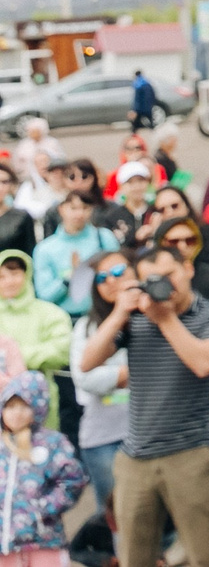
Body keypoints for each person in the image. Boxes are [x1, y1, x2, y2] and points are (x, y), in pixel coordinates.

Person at [79, 243, 209, 567]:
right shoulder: (135, 318)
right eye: (152, 279)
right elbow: (87, 361)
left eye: (169, 275)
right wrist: (121, 310)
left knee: (206, 557)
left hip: (192, 455)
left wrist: (164, 319)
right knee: (134, 558)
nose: (164, 285)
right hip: (135, 460)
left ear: (188, 269)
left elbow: (204, 364)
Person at [0, 369, 85, 567]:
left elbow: (73, 481)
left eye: (24, 407)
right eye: (11, 407)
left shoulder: (52, 443)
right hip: (4, 546)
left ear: (37, 408)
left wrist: (42, 509)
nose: (16, 413)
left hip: (44, 542)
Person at [69, 257, 130, 528]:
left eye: (118, 272)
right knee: (113, 518)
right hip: (101, 437)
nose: (111, 281)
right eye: (102, 277)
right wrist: (125, 374)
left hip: (147, 432)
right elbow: (84, 377)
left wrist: (107, 374)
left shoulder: (152, 316)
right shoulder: (86, 327)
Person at [0, 256, 70, 406]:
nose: (9, 282)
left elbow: (61, 351)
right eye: (2, 277)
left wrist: (14, 358)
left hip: (40, 397)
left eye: (15, 274)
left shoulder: (50, 313)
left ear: (27, 275)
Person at [29, 196, 109, 319]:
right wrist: (70, 277)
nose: (79, 213)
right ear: (61, 209)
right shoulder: (45, 249)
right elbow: (44, 295)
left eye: (85, 208)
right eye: (73, 208)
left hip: (100, 316)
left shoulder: (104, 238)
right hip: (62, 319)